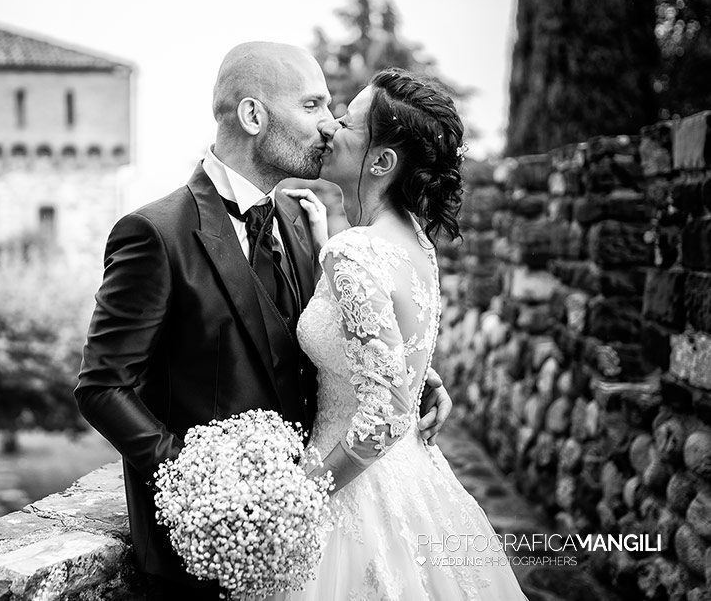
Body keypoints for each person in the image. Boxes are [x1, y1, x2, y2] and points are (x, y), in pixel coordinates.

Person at [74, 43, 453, 598]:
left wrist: (412, 380)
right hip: (202, 551)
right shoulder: (154, 233)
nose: (329, 126)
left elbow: (332, 339)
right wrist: (198, 485)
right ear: (254, 116)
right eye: (313, 105)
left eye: (334, 111)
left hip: (312, 535)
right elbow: (103, 386)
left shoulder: (303, 221)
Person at [267, 68, 525, 600]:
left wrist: (301, 496)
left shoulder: (355, 252)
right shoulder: (414, 241)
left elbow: (382, 413)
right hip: (413, 476)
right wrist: (418, 373)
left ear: (381, 162)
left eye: (349, 122)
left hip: (352, 489)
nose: (332, 125)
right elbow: (389, 339)